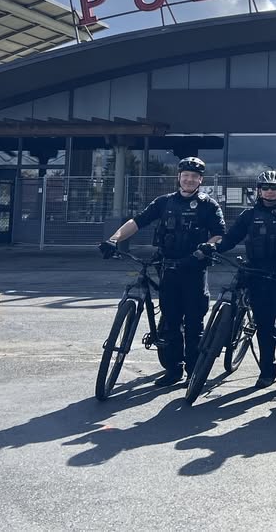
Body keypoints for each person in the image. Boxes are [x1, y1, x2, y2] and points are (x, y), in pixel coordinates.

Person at [101, 157, 225, 387]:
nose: (189, 179)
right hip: (167, 267)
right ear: (178, 177)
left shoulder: (209, 205)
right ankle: (173, 369)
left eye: (194, 176)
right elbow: (137, 222)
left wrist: (208, 247)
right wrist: (114, 239)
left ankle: (194, 371)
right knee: (170, 319)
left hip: (194, 269)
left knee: (194, 322)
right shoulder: (164, 202)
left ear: (200, 180)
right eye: (185, 175)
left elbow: (219, 233)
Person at [200, 170, 276, 393]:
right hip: (256, 277)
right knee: (264, 328)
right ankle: (267, 372)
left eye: (274, 187)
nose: (269, 191)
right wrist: (214, 247)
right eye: (265, 187)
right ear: (258, 190)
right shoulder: (248, 215)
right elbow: (230, 239)